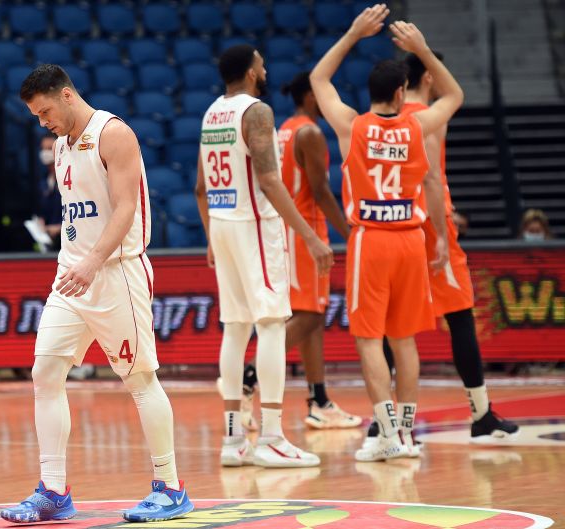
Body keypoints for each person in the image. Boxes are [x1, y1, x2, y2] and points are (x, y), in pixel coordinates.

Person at [0, 64, 193, 524]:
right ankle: (53, 491)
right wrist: (76, 262)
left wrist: (92, 262)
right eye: (36, 116)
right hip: (71, 277)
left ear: (66, 95)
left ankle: (171, 488)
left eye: (45, 112)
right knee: (45, 372)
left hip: (115, 273)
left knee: (140, 379)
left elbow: (126, 208)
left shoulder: (114, 133)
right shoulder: (61, 146)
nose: (43, 122)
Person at [310, 5, 462, 461]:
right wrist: (423, 51)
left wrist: (353, 34)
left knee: (368, 339)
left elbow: (319, 79)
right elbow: (454, 95)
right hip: (411, 238)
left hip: (370, 240)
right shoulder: (418, 125)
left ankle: (389, 434)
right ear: (401, 92)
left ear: (372, 92)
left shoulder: (352, 126)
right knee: (405, 339)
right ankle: (407, 434)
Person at [195, 45, 333, 468]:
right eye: (261, 64)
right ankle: (271, 437)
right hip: (254, 225)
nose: (266, 68)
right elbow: (271, 181)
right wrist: (310, 236)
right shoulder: (256, 111)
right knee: (271, 324)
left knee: (235, 329)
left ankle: (234, 440)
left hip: (223, 224)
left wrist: (211, 237)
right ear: (252, 73)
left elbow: (200, 187)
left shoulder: (211, 113)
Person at [371, 52, 519, 446]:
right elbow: (432, 178)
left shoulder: (390, 119)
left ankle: (382, 419)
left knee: (393, 327)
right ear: (429, 78)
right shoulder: (427, 116)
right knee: (460, 316)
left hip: (396, 223)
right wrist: (441, 229)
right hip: (429, 224)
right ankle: (481, 414)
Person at [226, 72, 362, 431]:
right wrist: (350, 233)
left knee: (308, 317)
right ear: (312, 97)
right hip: (305, 231)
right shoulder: (310, 133)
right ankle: (247, 378)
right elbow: (320, 191)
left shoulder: (286, 128)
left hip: (286, 229)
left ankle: (319, 401)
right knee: (311, 317)